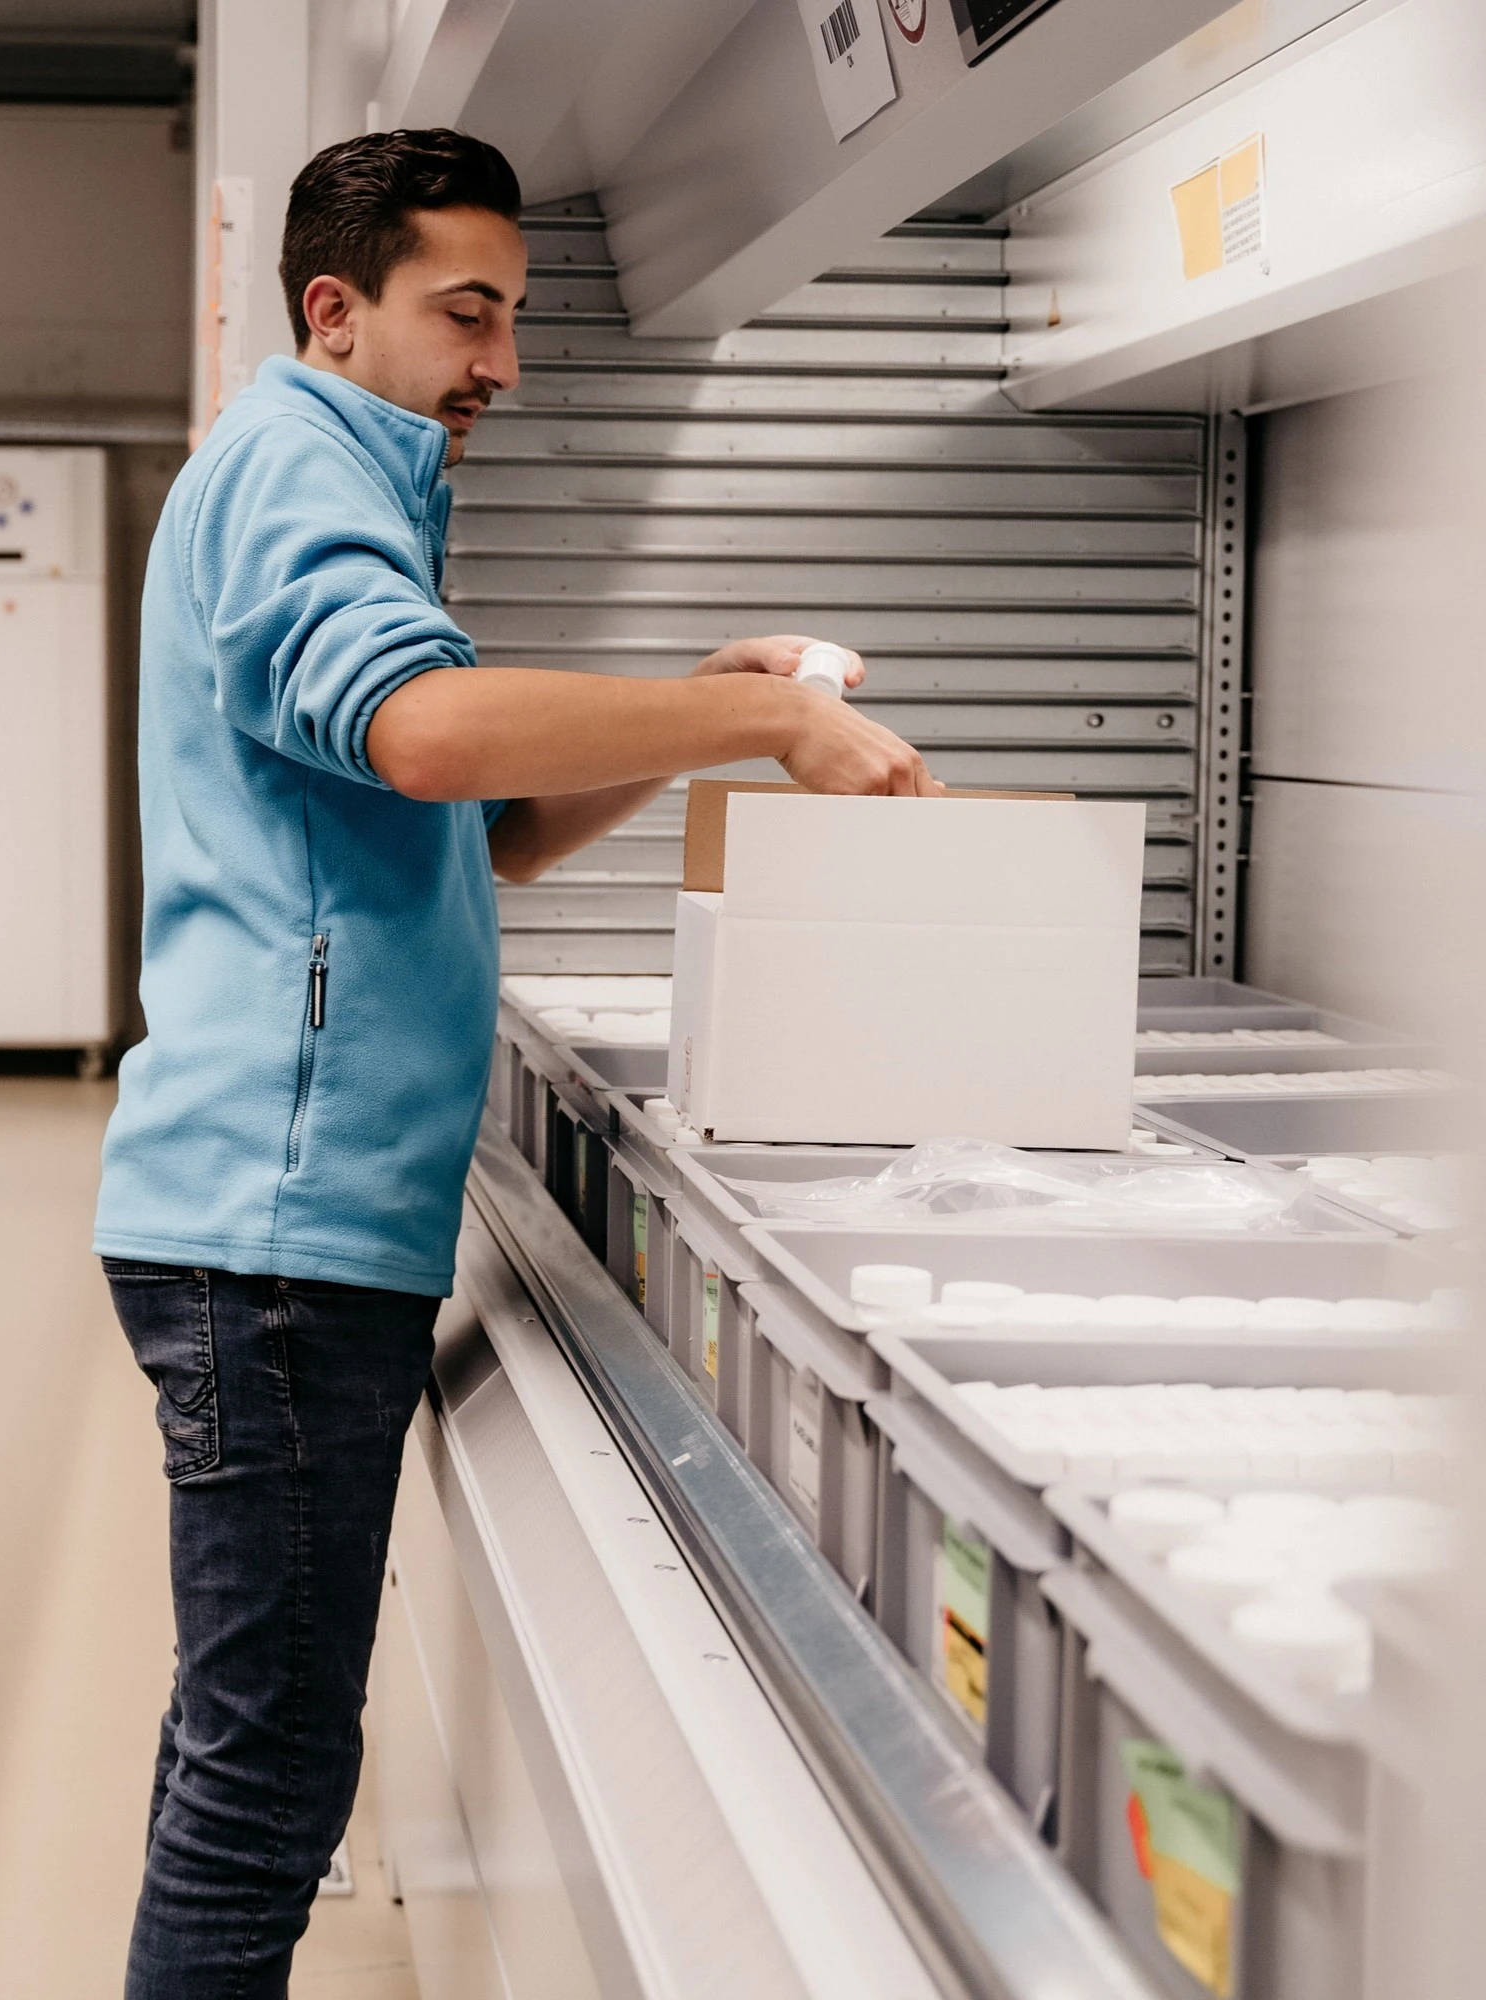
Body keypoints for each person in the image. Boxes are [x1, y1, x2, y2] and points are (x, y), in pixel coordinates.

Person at [93, 127, 938, 1997]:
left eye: (513, 318)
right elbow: (420, 734)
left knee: (246, 1740)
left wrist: (698, 722)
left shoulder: (351, 478)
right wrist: (759, 717)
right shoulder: (296, 473)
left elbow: (472, 828)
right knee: (267, 1778)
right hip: (276, 1242)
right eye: (466, 314)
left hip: (295, 1233)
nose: (503, 363)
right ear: (338, 306)